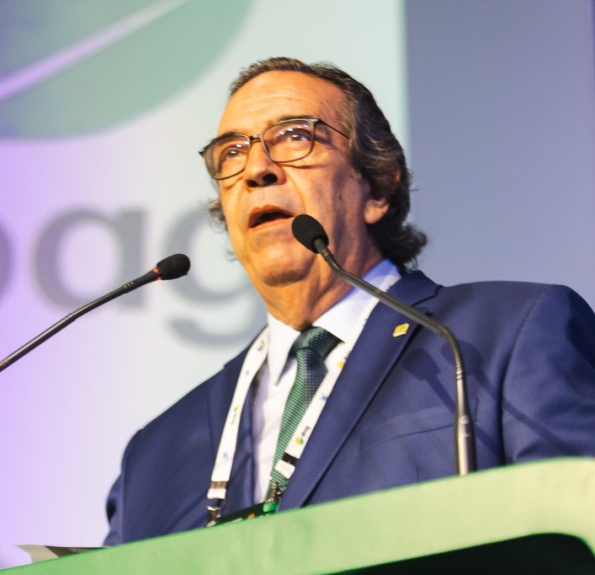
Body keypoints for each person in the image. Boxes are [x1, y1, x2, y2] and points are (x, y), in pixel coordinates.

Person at [104, 57, 595, 545]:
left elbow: (576, 547)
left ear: (377, 187)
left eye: (294, 136)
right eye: (232, 151)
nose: (256, 169)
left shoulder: (504, 338)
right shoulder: (153, 456)